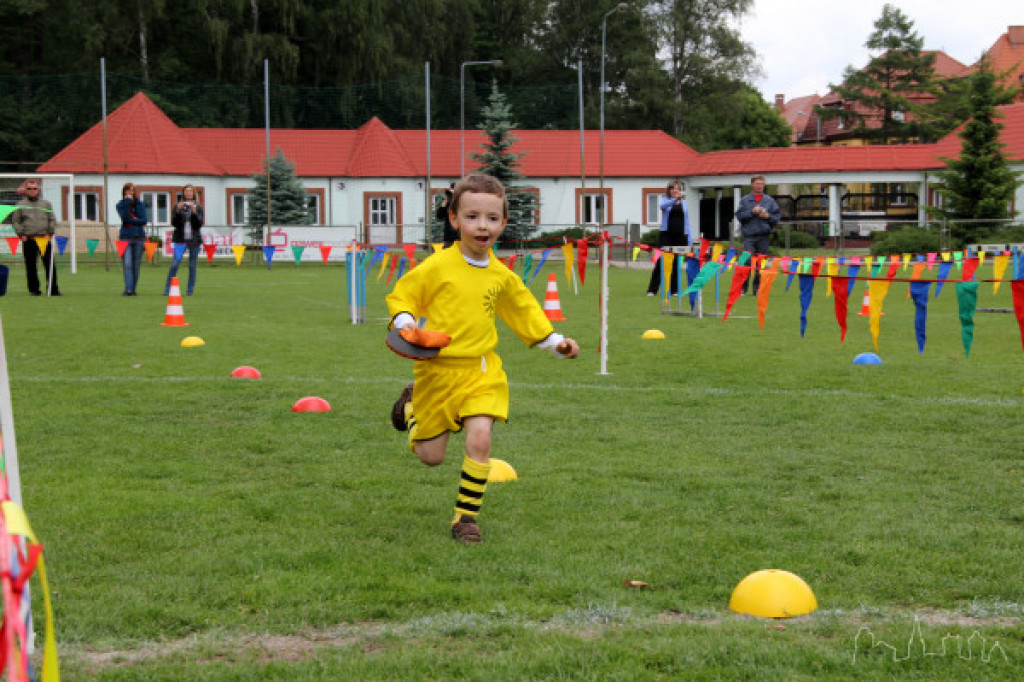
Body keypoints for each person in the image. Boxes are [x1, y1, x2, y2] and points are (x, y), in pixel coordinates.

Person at [386, 174, 580, 544]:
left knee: (480, 438)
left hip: (481, 372)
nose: (482, 226)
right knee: (431, 456)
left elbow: (523, 309)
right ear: (455, 220)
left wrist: (555, 342)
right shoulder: (437, 266)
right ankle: (411, 408)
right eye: (472, 216)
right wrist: (407, 323)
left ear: (503, 224)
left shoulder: (500, 276)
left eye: (492, 218)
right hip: (437, 373)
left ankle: (465, 520)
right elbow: (403, 295)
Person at [11, 179, 61, 296]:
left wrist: (50, 232)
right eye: (30, 189)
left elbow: (52, 219)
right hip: (29, 239)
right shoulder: (20, 205)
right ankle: (34, 290)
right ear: (26, 190)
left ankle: (53, 290)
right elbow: (16, 221)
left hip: (44, 238)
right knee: (31, 266)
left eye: (35, 189)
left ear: (39, 190)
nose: (32, 191)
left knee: (50, 265)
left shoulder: (46, 204)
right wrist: (21, 234)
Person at [734, 174, 781, 295]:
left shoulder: (769, 201)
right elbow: (740, 216)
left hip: (763, 236)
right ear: (752, 185)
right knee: (747, 262)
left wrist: (768, 216)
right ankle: (743, 288)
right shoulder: (745, 200)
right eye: (757, 183)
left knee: (761, 263)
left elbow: (776, 217)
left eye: (762, 184)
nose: (760, 186)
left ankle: (757, 289)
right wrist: (752, 212)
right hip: (749, 236)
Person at [646, 180, 693, 296]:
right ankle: (652, 289)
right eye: (673, 188)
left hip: (681, 236)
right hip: (667, 235)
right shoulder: (665, 200)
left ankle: (674, 290)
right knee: (661, 261)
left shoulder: (684, 203)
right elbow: (662, 206)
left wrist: (690, 239)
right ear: (669, 190)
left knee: (676, 263)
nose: (675, 190)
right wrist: (674, 200)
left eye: (677, 188)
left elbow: (687, 221)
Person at [165, 184, 205, 295]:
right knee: (175, 264)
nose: (188, 193)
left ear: (194, 194)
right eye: (186, 191)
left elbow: (199, 224)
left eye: (190, 191)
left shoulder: (199, 207)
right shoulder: (178, 206)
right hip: (180, 239)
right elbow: (174, 223)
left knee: (192, 265)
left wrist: (194, 212)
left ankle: (189, 290)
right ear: (183, 193)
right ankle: (168, 289)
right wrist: (177, 211)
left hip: (194, 240)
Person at [116, 182, 149, 296]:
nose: (130, 192)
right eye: (128, 190)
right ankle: (128, 289)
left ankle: (133, 289)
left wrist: (132, 221)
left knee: (136, 265)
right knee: (127, 264)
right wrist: (128, 203)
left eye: (132, 190)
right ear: (124, 192)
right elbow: (124, 217)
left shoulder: (140, 204)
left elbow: (144, 220)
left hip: (139, 237)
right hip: (126, 238)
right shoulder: (120, 205)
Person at [435, 182, 458, 248]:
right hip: (449, 236)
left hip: (460, 236)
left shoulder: (462, 202)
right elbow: (439, 216)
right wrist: (446, 200)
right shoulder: (447, 203)